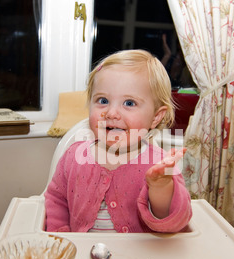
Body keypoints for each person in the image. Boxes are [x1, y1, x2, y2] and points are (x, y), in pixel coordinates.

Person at [45, 49, 192, 233]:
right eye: (103, 100)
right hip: (81, 255)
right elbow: (56, 199)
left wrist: (161, 187)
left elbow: (175, 222)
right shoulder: (74, 155)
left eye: (129, 103)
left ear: (156, 116)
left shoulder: (161, 166)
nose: (112, 113)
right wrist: (61, 235)